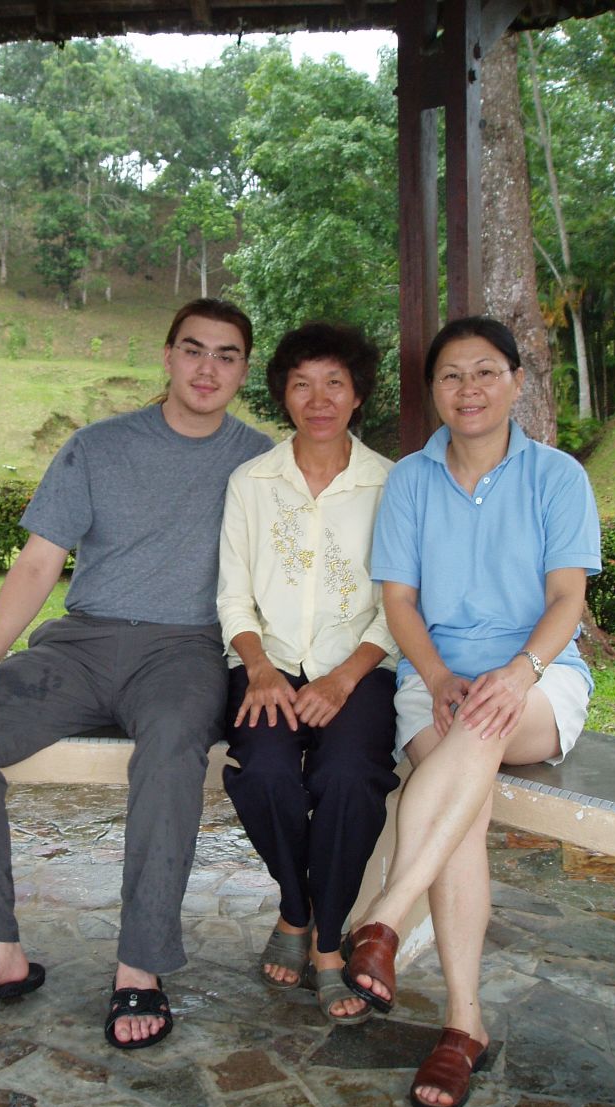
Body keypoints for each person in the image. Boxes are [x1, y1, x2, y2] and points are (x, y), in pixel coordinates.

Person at [0, 298, 273, 1049]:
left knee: (173, 746)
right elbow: (40, 560)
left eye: (227, 354)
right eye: (194, 350)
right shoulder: (98, 447)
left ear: (244, 370)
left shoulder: (259, 463)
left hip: (184, 651)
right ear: (167, 357)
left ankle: (140, 965)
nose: (209, 367)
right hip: (79, 645)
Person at [342, 316, 601, 1107]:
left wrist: (518, 674)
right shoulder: (412, 481)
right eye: (452, 376)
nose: (469, 390)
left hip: (539, 673)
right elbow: (400, 601)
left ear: (517, 382)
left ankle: (383, 920)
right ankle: (462, 1023)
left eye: (486, 372)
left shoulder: (557, 476)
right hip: (438, 676)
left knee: (480, 730)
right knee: (466, 774)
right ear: (434, 392)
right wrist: (439, 674)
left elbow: (567, 599)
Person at [217, 321, 400, 1024]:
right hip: (265, 665)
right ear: (283, 394)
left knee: (348, 777)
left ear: (357, 396)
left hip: (357, 668)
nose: (318, 398)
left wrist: (345, 679)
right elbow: (233, 593)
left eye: (334, 383)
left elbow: (400, 602)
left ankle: (325, 943)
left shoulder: (391, 483)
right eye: (301, 383)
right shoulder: (251, 481)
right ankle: (300, 910)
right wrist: (259, 668)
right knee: (262, 770)